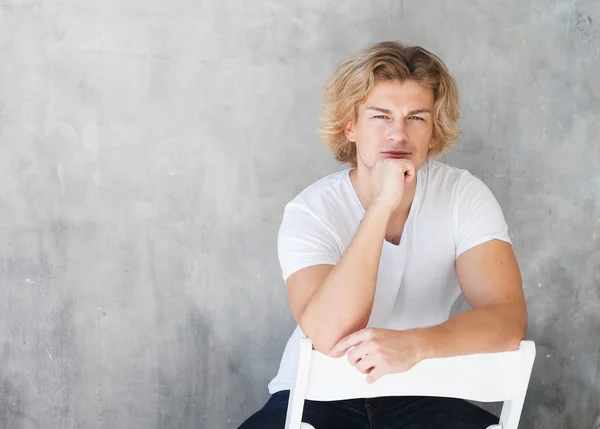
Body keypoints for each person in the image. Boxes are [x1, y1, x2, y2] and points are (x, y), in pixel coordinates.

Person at [238, 41, 528, 429]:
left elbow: (507, 321)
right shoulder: (311, 210)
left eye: (416, 118)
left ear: (433, 132)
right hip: (316, 395)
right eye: (380, 116)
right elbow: (328, 334)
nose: (398, 134)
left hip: (422, 393)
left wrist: (415, 345)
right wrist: (380, 207)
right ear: (351, 127)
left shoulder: (463, 196)